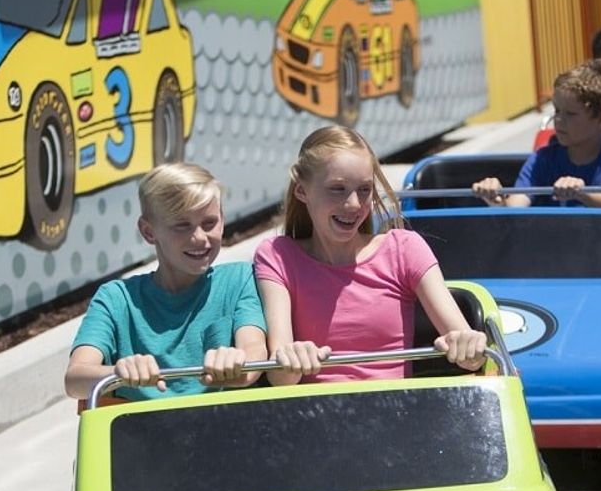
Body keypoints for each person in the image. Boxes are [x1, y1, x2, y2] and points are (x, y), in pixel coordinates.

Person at [253, 126, 487, 385]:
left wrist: (469, 346)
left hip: (394, 414)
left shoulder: (404, 249)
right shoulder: (277, 257)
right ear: (302, 191)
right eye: (337, 189)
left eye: (364, 190)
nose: (354, 204)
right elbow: (280, 378)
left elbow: (469, 356)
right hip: (314, 417)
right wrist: (291, 359)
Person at [64, 164, 267, 400]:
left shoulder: (239, 280)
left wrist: (238, 362)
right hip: (143, 434)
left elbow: (255, 351)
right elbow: (75, 379)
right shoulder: (116, 298)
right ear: (149, 232)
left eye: (209, 223)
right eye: (182, 226)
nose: (200, 238)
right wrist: (118, 372)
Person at [472, 60, 601, 209]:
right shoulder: (542, 159)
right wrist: (496, 200)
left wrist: (582, 194)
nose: (558, 119)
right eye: (557, 110)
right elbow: (515, 208)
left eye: (570, 114)